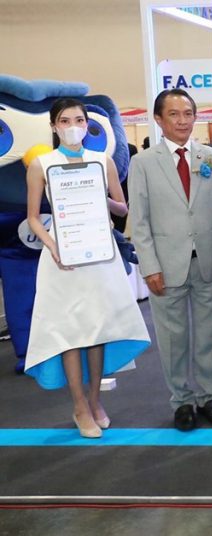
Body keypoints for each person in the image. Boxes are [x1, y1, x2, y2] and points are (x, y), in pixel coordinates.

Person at [23, 98, 150, 438]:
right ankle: (79, 406)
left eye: (79, 120)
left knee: (97, 327)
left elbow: (121, 207)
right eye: (65, 121)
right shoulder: (41, 164)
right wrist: (52, 246)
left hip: (98, 252)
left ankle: (95, 401)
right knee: (70, 330)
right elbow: (33, 217)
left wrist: (97, 195)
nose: (73, 127)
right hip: (62, 256)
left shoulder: (101, 161)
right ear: (54, 126)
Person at [128, 88, 212, 432]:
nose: (182, 121)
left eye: (188, 113)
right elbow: (139, 220)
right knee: (173, 338)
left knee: (209, 334)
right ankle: (182, 401)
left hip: (207, 262)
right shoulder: (143, 163)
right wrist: (149, 266)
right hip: (165, 265)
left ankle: (207, 396)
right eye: (173, 114)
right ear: (159, 120)